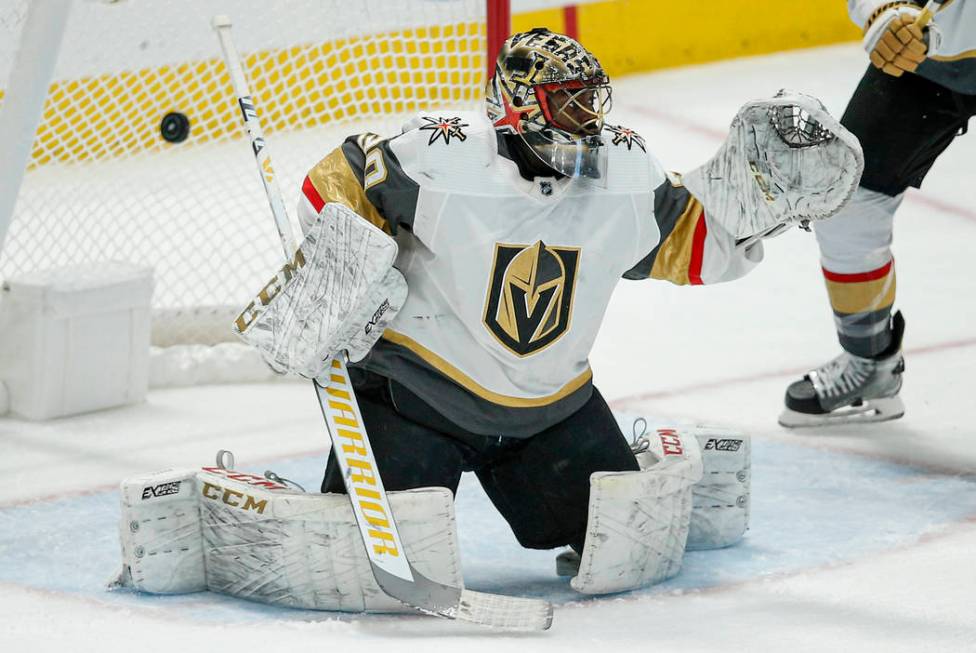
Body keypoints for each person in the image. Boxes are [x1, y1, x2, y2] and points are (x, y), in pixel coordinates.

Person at [274, 28, 857, 573]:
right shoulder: (439, 157)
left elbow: (689, 245)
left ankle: (630, 455)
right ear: (519, 105)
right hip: (415, 402)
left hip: (549, 415)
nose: (588, 121)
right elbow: (333, 184)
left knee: (630, 554)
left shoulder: (623, 176)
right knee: (363, 564)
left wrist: (758, 206)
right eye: (568, 103)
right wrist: (345, 275)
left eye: (591, 102)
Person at [780, 0, 976, 427]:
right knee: (846, 201)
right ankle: (869, 362)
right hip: (929, 63)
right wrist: (885, 13)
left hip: (936, 46)